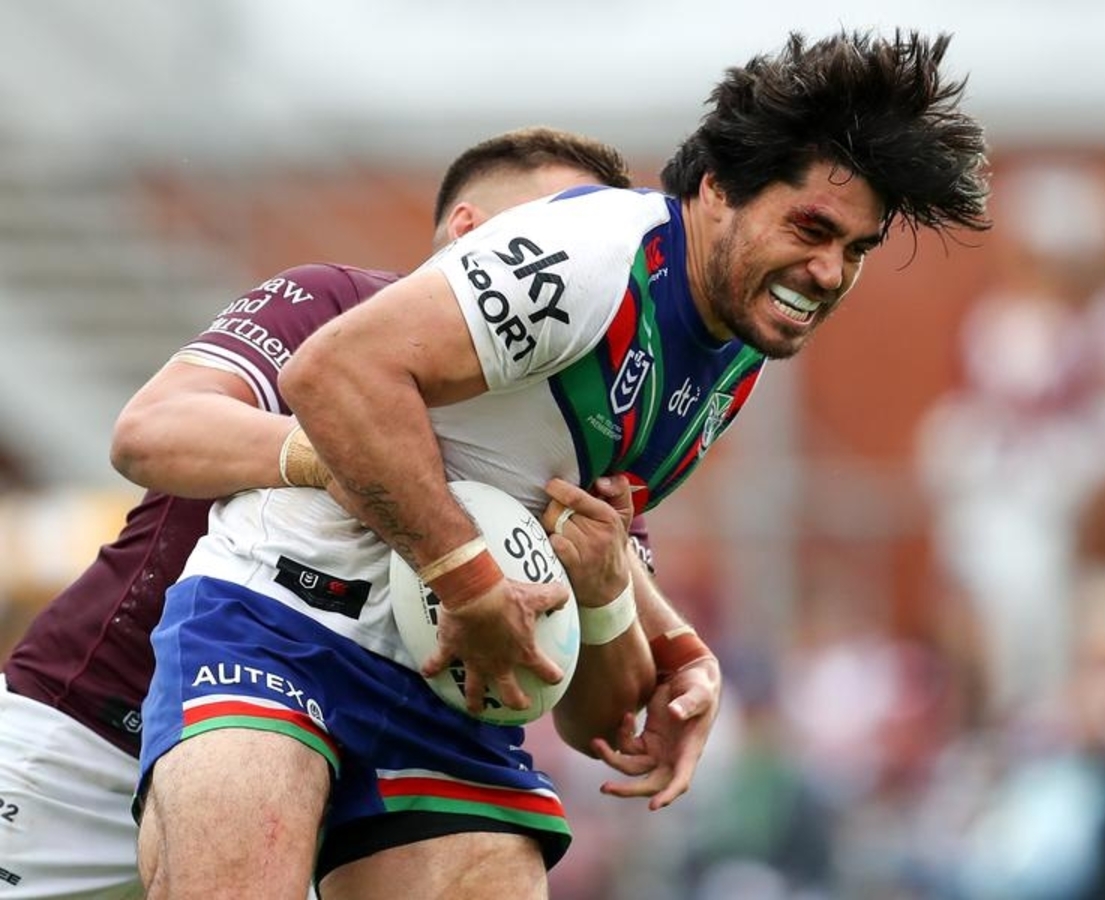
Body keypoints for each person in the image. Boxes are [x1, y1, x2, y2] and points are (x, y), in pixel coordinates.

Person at [135, 28, 991, 900]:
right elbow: (334, 373)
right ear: (718, 189)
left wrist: (659, 642)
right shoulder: (594, 256)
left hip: (453, 686)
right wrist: (469, 581)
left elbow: (593, 714)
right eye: (812, 228)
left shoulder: (735, 358)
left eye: (857, 249)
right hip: (282, 623)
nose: (829, 271)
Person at [0, 127, 714, 900]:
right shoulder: (339, 307)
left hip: (344, 772)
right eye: (561, 222)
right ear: (471, 231)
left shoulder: (588, 426)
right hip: (93, 734)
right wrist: (338, 457)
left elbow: (592, 720)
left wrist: (613, 600)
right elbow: (150, 430)